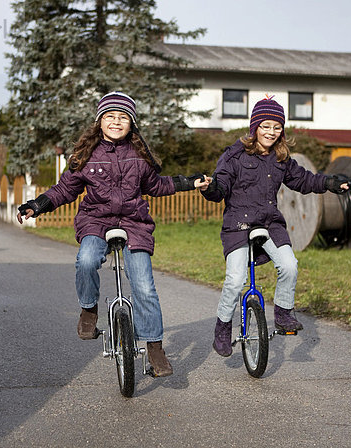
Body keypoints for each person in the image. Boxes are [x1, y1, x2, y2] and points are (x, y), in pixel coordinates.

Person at [17, 91, 210, 376]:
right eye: (110, 116)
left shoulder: (140, 156)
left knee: (144, 286)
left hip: (135, 222)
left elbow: (157, 186)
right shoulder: (86, 155)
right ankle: (88, 309)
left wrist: (188, 182)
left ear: (131, 123)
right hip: (95, 220)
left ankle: (155, 348)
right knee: (86, 260)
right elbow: (65, 190)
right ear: (100, 121)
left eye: (123, 117)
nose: (116, 122)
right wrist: (37, 205)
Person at [200, 95, 351, 357]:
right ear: (255, 127)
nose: (271, 132)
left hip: (269, 223)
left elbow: (305, 180)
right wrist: (211, 188)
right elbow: (220, 188)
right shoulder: (234, 156)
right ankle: (222, 327)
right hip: (238, 224)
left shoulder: (281, 158)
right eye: (265, 126)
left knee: (289, 265)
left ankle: (284, 313)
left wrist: (333, 183)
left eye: (277, 127)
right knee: (235, 280)